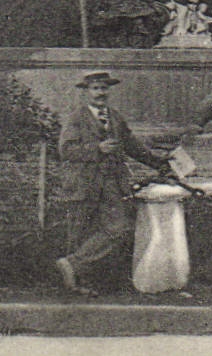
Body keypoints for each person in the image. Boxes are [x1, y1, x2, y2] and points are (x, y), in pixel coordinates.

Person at [55, 71, 172, 295]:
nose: (101, 93)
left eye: (104, 88)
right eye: (95, 88)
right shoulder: (76, 118)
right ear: (86, 92)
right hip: (83, 183)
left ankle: (73, 264)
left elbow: (132, 146)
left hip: (111, 183)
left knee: (120, 228)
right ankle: (75, 284)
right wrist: (96, 149)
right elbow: (65, 150)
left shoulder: (114, 117)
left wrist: (158, 163)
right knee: (80, 231)